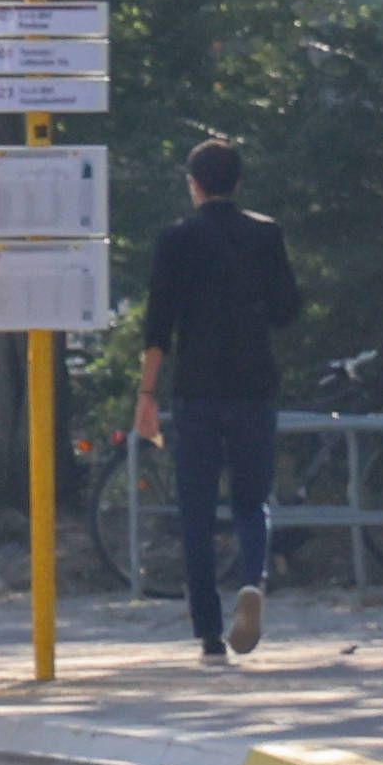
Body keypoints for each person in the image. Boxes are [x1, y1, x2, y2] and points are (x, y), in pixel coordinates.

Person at [135, 140, 307, 664]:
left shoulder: (176, 240)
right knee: (252, 501)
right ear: (237, 183)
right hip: (255, 386)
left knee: (196, 511)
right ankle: (252, 580)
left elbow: (158, 325)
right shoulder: (266, 233)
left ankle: (209, 634)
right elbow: (287, 309)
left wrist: (146, 394)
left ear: (194, 184)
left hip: (197, 391)